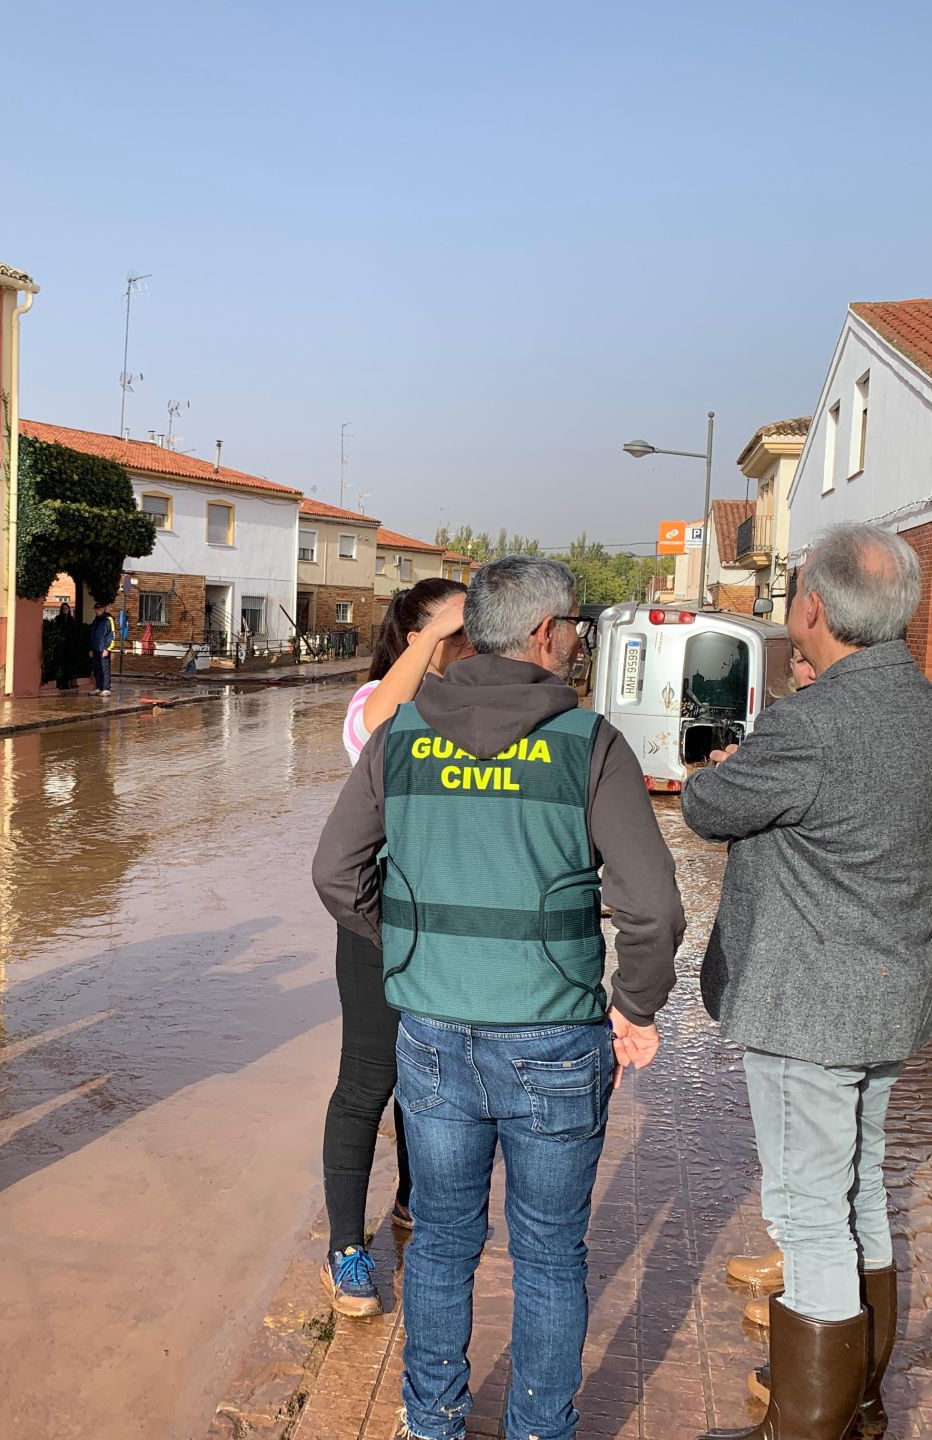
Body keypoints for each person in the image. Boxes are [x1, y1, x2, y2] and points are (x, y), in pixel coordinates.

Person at [313, 556, 685, 1440]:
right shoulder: (587, 743)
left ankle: (431, 1423)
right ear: (547, 634)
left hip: (433, 1034)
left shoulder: (400, 736)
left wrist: (410, 950)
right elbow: (654, 908)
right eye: (578, 629)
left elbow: (335, 873)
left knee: (442, 1244)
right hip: (556, 1041)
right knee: (551, 1257)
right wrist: (634, 1008)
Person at [683, 524, 932, 1440]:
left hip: (808, 1012)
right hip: (889, 1000)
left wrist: (727, 766)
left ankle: (806, 1426)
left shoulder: (806, 726)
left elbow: (706, 808)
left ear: (813, 610)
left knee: (807, 1214)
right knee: (861, 1193)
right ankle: (860, 1402)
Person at [321, 579, 471, 1319]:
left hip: (444, 926)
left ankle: (413, 1204)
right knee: (368, 1081)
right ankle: (346, 1248)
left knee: (432, 1076)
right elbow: (379, 721)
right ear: (424, 634)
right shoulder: (375, 702)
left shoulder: (470, 707)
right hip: (375, 925)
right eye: (460, 624)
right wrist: (431, 636)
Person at [91, 604, 116, 696]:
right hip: (96, 648)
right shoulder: (96, 620)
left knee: (105, 669)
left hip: (104, 649)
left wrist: (108, 648)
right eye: (96, 609)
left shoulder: (108, 619)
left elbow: (112, 635)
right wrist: (91, 648)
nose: (97, 611)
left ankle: (106, 688)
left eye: (98, 609)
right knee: (97, 669)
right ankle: (99, 687)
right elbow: (93, 635)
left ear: (103, 609)